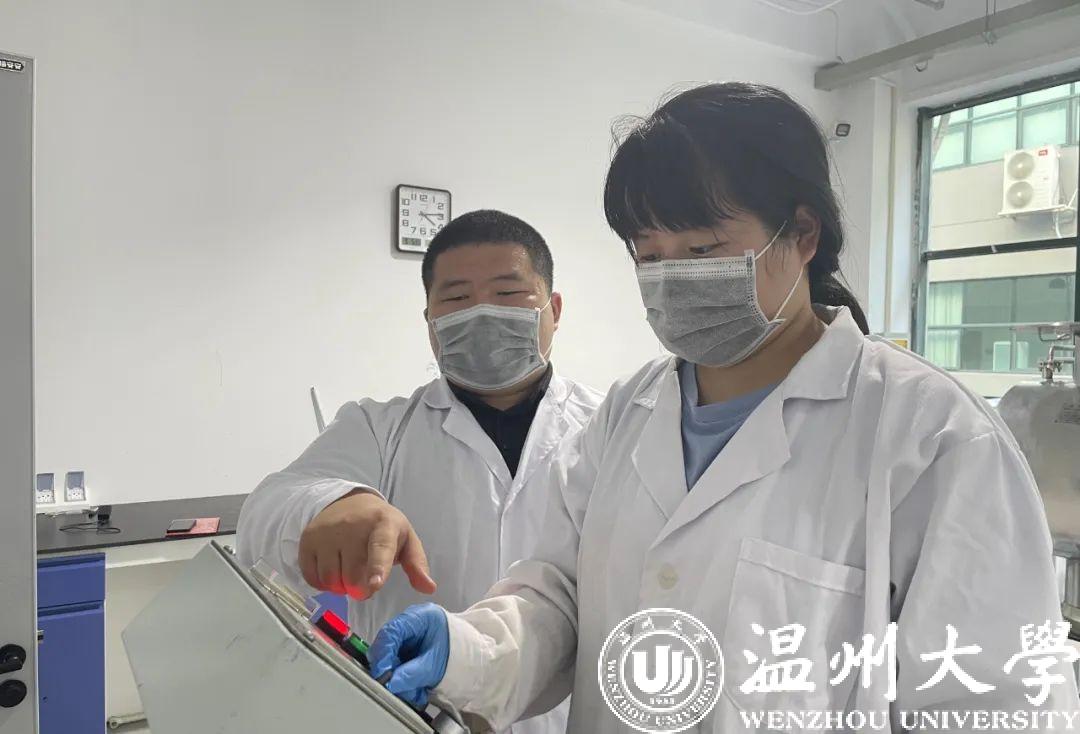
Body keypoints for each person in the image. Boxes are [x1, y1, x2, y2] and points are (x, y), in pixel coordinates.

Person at [363, 84, 1076, 731]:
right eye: (649, 256)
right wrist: (469, 650)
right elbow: (563, 594)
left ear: (802, 235)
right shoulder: (627, 413)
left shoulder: (934, 438)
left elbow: (994, 706)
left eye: (703, 248)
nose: (673, 278)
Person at [236, 209, 602, 734]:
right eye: (456, 299)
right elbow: (266, 512)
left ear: (555, 308)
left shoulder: (609, 427)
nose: (482, 313)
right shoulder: (378, 427)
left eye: (508, 293)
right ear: (430, 322)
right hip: (410, 715)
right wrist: (333, 504)